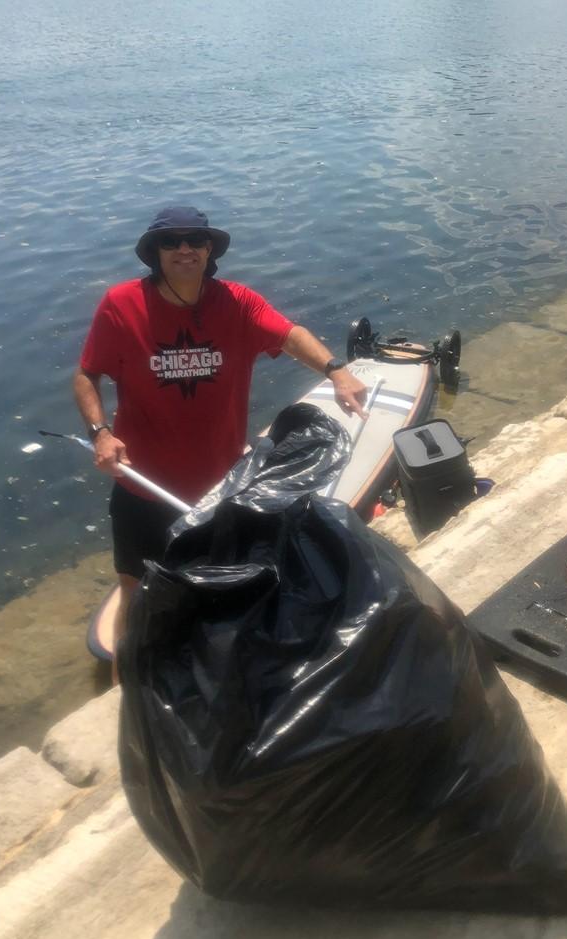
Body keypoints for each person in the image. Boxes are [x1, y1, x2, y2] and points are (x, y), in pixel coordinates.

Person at [74, 206, 367, 675]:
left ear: (210, 249)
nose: (184, 249)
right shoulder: (121, 304)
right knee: (135, 592)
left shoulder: (237, 302)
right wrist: (100, 432)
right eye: (171, 242)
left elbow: (290, 335)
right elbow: (86, 375)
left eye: (195, 239)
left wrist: (336, 371)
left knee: (220, 593)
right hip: (142, 488)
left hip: (220, 490)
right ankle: (124, 697)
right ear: (155, 253)